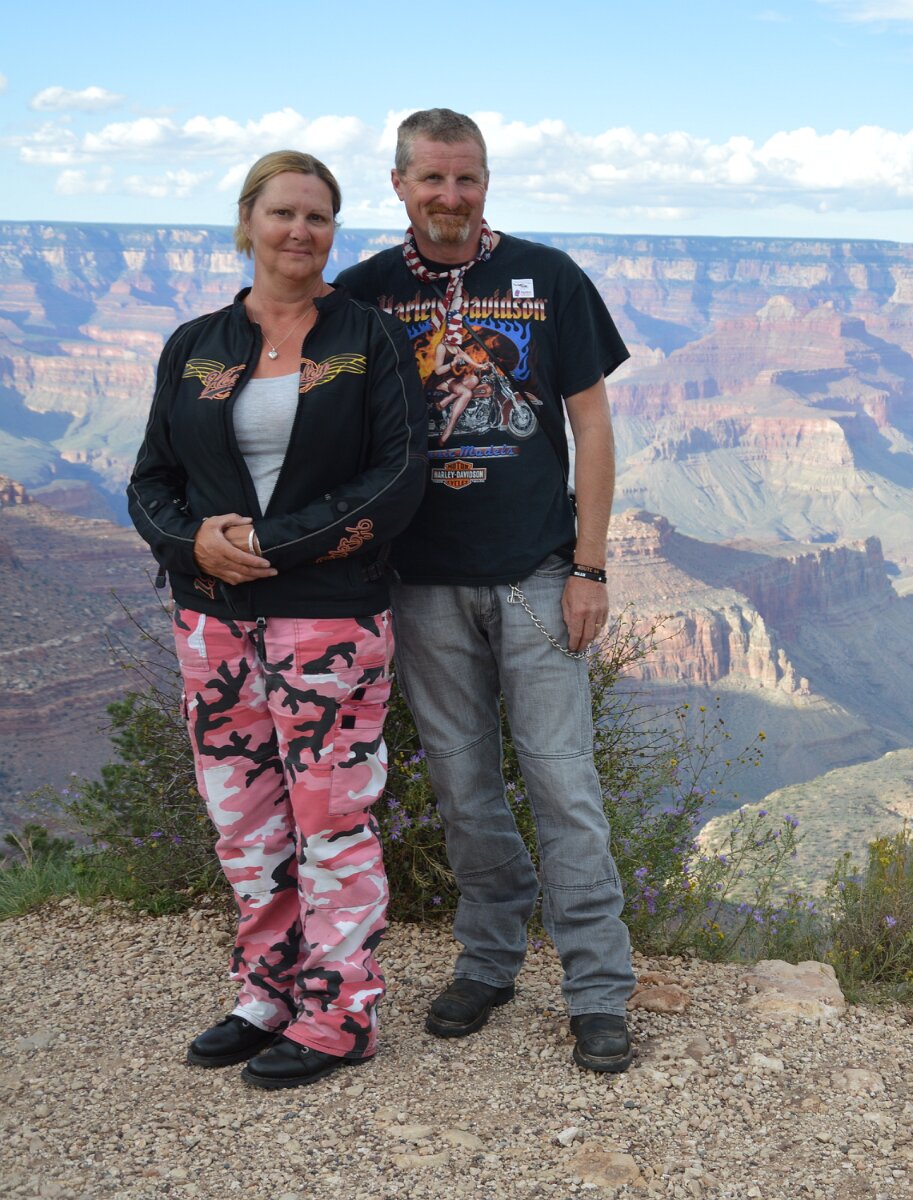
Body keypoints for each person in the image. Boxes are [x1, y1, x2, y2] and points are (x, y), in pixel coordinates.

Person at [335, 108, 637, 1072]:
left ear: (486, 182)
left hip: (537, 576)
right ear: (399, 184)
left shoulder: (549, 278)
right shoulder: (365, 292)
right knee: (464, 790)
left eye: (466, 178)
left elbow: (592, 427)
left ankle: (597, 989)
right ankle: (489, 960)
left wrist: (589, 566)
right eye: (432, 178)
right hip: (421, 584)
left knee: (563, 785)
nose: (450, 196)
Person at [128, 150, 427, 1090]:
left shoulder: (368, 339)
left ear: (334, 232)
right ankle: (267, 991)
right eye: (284, 212)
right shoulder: (197, 344)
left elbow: (396, 476)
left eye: (319, 216)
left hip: (328, 621)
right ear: (248, 221)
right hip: (212, 622)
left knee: (331, 819)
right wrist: (192, 546)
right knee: (244, 820)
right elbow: (150, 480)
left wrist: (266, 544)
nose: (301, 231)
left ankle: (341, 1012)